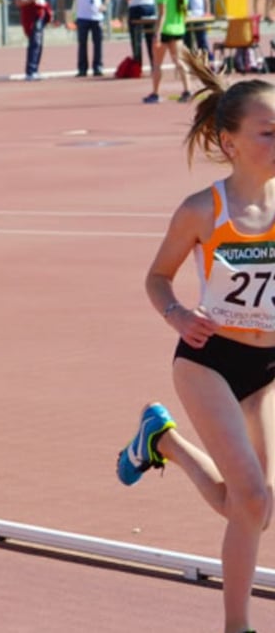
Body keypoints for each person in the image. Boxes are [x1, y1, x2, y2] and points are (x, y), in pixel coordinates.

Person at [117, 53, 275, 633]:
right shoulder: (203, 211)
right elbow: (156, 278)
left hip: (265, 368)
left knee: (254, 508)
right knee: (253, 498)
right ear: (230, 142)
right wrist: (179, 315)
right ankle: (238, 627)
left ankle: (166, 444)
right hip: (208, 361)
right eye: (268, 132)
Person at [144, 0, 192, 104]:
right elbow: (184, 12)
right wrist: (181, 25)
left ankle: (155, 93)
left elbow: (162, 14)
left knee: (157, 64)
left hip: (165, 30)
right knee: (179, 61)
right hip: (178, 30)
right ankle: (187, 90)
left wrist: (157, 33)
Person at [74, 0, 110, 77]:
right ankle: (82, 69)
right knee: (82, 43)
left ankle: (98, 67)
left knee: (98, 43)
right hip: (82, 16)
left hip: (96, 16)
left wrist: (104, 4)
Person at [16, 0, 49, 81]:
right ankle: (30, 71)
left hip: (40, 13)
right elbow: (19, 2)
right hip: (32, 14)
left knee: (39, 43)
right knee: (34, 43)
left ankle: (35, 69)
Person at [124, 0, 158, 70]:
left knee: (136, 38)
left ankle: (138, 65)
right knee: (150, 37)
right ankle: (154, 64)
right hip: (150, 6)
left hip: (136, 7)